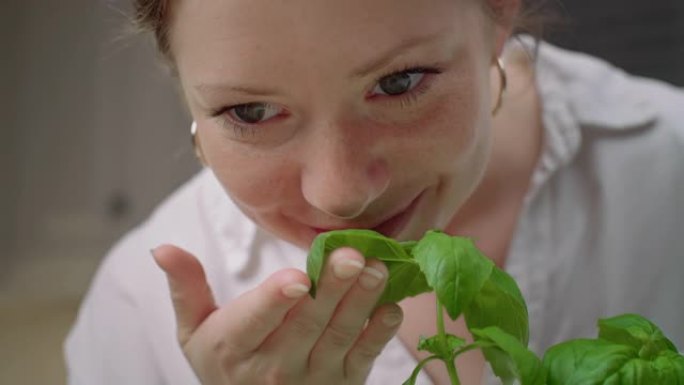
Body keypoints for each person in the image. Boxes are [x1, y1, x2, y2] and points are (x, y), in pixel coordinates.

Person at [64, 0, 684, 384]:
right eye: (251, 112)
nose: (338, 195)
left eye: (400, 82)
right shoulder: (135, 313)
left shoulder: (666, 168)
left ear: (497, 11)